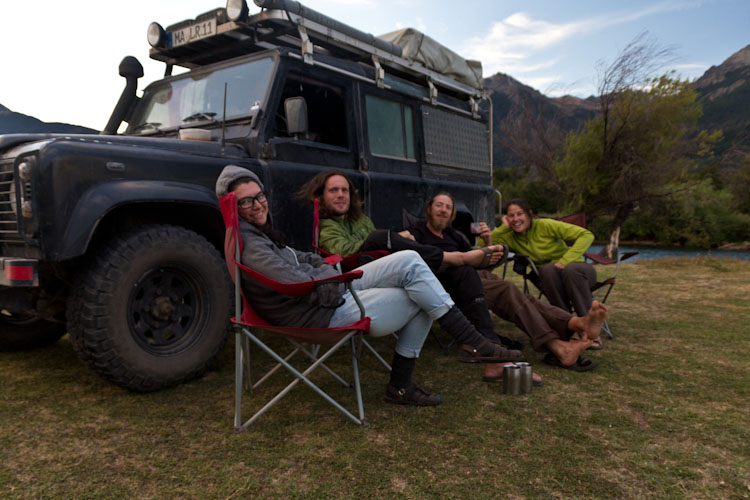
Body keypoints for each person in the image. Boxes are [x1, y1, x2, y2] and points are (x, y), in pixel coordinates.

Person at [216, 165, 523, 406]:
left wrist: (323, 271)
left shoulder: (257, 234)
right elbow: (296, 280)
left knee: (411, 264)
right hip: (319, 311)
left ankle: (468, 343)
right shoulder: (253, 244)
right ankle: (425, 370)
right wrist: (332, 278)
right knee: (419, 287)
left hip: (327, 294)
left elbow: (304, 259)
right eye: (246, 201)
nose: (258, 205)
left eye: (260, 196)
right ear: (232, 205)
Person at [409, 192, 606, 373]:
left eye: (448, 207)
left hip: (472, 276)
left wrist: (487, 242)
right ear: (429, 209)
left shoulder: (454, 236)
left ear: (452, 213)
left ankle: (576, 323)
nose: (443, 210)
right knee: (507, 290)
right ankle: (557, 345)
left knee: (524, 297)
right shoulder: (416, 234)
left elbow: (478, 261)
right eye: (439, 205)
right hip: (448, 284)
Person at [296, 170, 504, 270]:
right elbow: (344, 251)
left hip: (379, 263)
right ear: (321, 196)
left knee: (394, 241)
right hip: (356, 271)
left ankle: (465, 261)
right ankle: (458, 258)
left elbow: (376, 243)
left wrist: (394, 240)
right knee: (382, 235)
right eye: (334, 190)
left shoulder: (360, 219)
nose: (341, 195)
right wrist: (389, 238)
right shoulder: (325, 226)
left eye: (345, 190)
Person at [487, 199, 598, 321]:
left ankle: (589, 323)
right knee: (547, 270)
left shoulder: (545, 225)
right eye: (511, 216)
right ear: (507, 219)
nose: (515, 219)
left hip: (579, 272)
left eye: (520, 214)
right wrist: (504, 228)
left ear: (529, 214)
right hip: (551, 280)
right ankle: (566, 322)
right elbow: (484, 245)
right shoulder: (510, 238)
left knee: (571, 270)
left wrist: (565, 261)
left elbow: (586, 235)